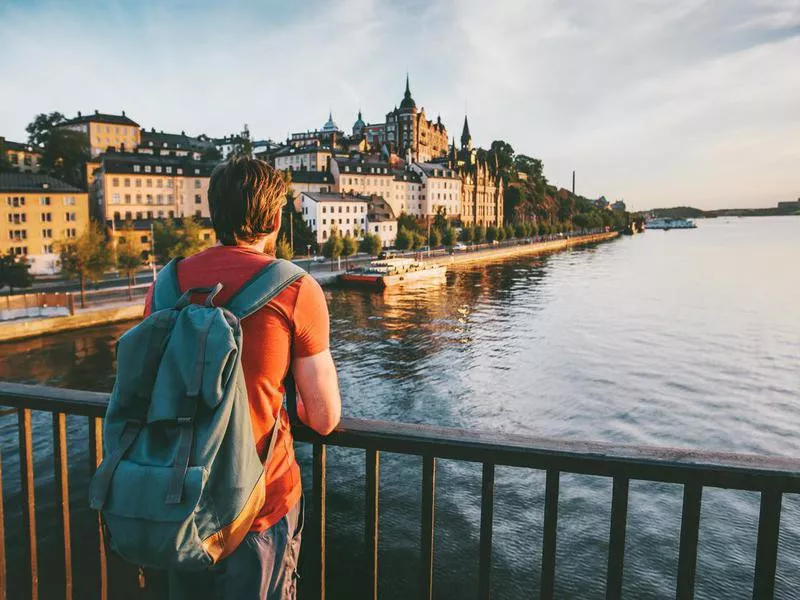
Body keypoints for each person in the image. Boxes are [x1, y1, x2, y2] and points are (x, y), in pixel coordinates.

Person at [144, 155, 341, 600]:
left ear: (214, 213)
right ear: (275, 218)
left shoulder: (166, 284)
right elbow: (325, 417)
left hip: (179, 501)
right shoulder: (295, 288)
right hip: (259, 509)